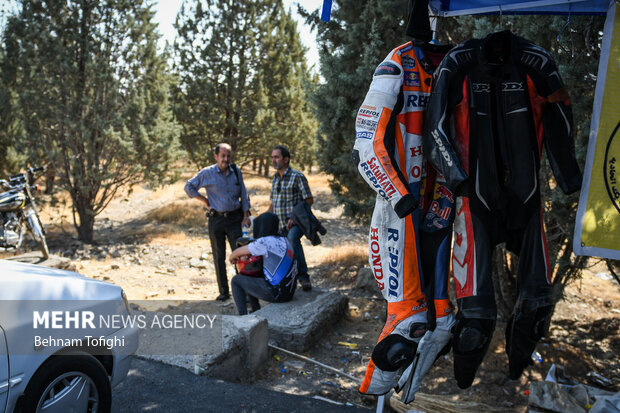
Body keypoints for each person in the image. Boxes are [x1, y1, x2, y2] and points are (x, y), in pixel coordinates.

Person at [185, 143, 251, 301]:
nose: (226, 159)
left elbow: (243, 191)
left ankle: (246, 291)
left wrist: (246, 214)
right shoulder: (207, 173)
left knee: (241, 254)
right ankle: (224, 292)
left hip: (235, 218)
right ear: (216, 156)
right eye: (222, 156)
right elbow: (189, 187)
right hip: (216, 220)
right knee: (218, 256)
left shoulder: (235, 170)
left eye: (228, 156)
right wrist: (203, 200)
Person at [228, 212, 297, 315]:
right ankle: (256, 311)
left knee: (236, 280)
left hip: (277, 294)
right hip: (288, 292)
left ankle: (242, 317)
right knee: (250, 274)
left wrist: (232, 258)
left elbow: (235, 253)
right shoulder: (284, 239)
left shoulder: (266, 241)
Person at [268, 145, 313, 291]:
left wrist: (294, 217)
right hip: (279, 224)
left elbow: (308, 200)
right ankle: (281, 280)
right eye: (272, 157)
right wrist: (262, 218)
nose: (273, 160)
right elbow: (272, 204)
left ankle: (303, 278)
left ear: (286, 159)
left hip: (297, 223)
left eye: (277, 157)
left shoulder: (297, 176)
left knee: (293, 239)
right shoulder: (275, 179)